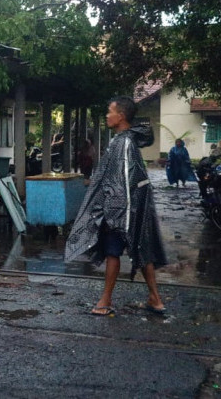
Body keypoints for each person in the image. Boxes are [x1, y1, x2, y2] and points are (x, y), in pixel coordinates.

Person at [65, 96, 167, 316]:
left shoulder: (123, 143)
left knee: (114, 252)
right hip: (127, 209)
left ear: (120, 116)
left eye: (110, 111)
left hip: (121, 211)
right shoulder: (124, 140)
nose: (107, 115)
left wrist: (116, 214)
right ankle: (155, 299)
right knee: (142, 250)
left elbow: (125, 182)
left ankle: (105, 301)